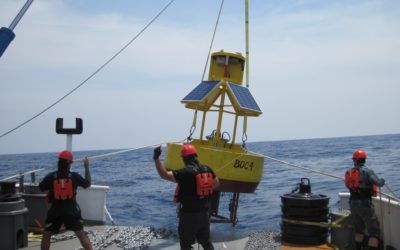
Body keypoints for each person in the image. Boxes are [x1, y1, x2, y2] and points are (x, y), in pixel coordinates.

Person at [153, 144, 220, 250]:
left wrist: (156, 158)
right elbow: (216, 183)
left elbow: (164, 175)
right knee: (206, 242)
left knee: (185, 244)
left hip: (188, 215)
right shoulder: (207, 169)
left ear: (184, 158)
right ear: (196, 156)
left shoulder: (184, 172)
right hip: (204, 214)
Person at [39, 150, 93, 250]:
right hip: (71, 210)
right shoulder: (74, 176)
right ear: (70, 164)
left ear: (58, 163)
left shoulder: (50, 177)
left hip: (55, 211)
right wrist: (86, 167)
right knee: (81, 233)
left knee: (46, 235)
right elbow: (87, 184)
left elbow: (41, 187)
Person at [344, 149, 385, 250]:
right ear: (364, 160)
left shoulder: (349, 172)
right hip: (364, 203)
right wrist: (382, 180)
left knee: (359, 230)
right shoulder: (367, 171)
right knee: (374, 232)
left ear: (354, 160)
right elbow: (379, 183)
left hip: (352, 203)